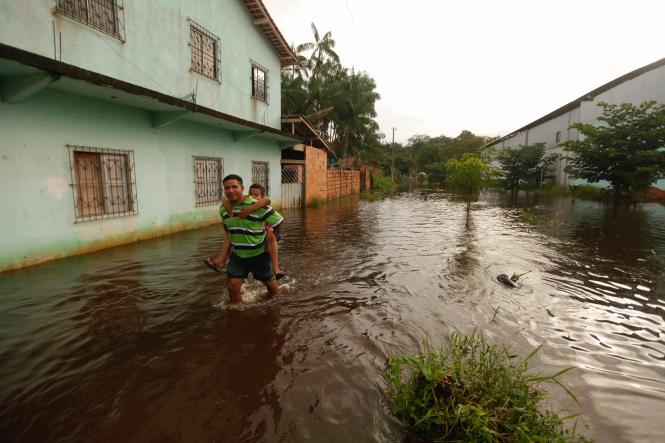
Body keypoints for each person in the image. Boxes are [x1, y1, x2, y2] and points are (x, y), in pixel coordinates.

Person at [206, 174, 284, 303]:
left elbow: (278, 221)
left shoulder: (257, 206)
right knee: (232, 285)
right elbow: (228, 230)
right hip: (238, 255)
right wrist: (229, 248)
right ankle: (236, 312)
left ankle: (277, 301)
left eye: (234, 187)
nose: (231, 190)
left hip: (259, 254)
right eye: (227, 188)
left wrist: (272, 239)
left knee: (269, 284)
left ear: (242, 188)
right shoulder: (224, 209)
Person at [221, 183, 285, 279]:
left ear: (262, 197)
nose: (252, 197)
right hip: (253, 236)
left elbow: (267, 201)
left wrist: (249, 210)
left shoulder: (261, 207)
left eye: (256, 195)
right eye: (250, 194)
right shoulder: (243, 205)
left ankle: (276, 268)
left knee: (270, 237)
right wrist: (227, 206)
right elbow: (223, 198)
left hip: (268, 232)